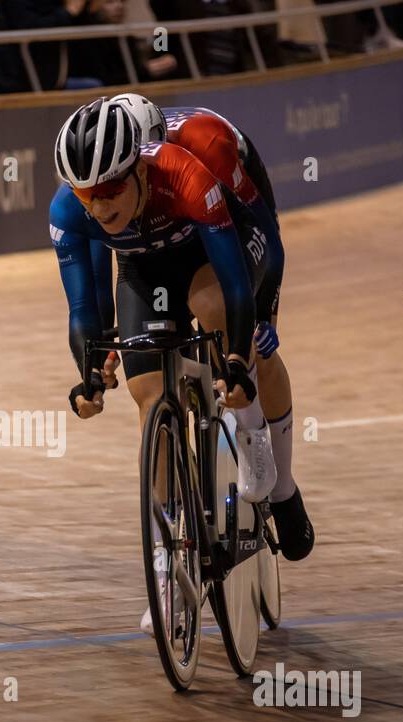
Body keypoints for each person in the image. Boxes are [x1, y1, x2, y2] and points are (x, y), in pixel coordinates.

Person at [50, 98, 279, 635]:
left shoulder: (185, 174)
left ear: (138, 170)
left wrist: (238, 360)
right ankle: (165, 566)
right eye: (87, 194)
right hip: (142, 267)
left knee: (210, 305)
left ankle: (251, 435)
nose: (99, 204)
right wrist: (89, 373)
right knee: (148, 393)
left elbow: (237, 283)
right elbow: (83, 308)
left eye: (110, 189)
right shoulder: (69, 211)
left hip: (203, 250)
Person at [106, 93, 314, 565]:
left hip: (230, 210)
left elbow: (267, 238)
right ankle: (168, 546)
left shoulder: (207, 146)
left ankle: (280, 483)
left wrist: (264, 312)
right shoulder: (123, 181)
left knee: (249, 340)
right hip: (168, 225)